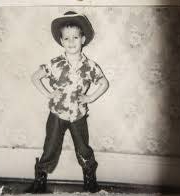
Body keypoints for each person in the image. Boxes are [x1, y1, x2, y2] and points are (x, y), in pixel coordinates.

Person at [27, 11, 109, 193]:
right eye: (66, 38)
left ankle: (90, 181)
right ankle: (40, 181)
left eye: (75, 37)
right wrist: (49, 94)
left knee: (83, 148)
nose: (71, 42)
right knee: (50, 146)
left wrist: (90, 98)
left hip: (78, 115)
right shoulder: (55, 63)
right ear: (61, 41)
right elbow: (35, 77)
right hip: (57, 114)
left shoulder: (90, 66)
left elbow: (104, 83)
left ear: (83, 39)